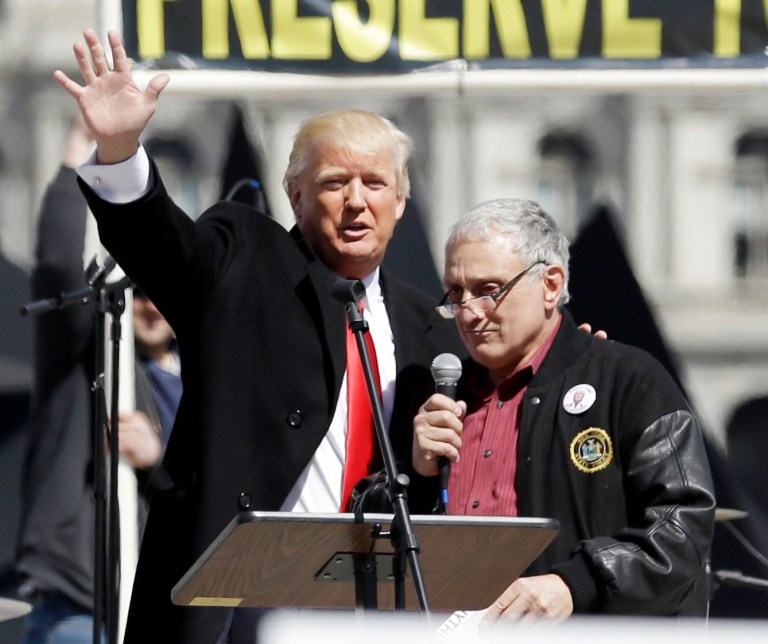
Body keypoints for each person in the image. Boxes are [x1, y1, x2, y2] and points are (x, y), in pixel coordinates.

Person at [53, 29, 466, 644]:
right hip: (239, 600)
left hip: (372, 605)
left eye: (375, 184)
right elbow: (164, 248)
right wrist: (119, 147)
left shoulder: (429, 328)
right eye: (334, 183)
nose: (356, 202)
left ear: (401, 201)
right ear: (295, 195)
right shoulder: (245, 261)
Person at [358, 197, 717, 619]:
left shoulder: (626, 379)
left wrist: (575, 584)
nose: (469, 313)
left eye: (489, 291)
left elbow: (683, 528)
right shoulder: (437, 396)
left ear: (550, 284)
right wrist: (414, 475)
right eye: (456, 293)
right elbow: (358, 533)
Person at [15, 115, 181, 644]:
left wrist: (160, 457)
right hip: (81, 610)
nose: (150, 302)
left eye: (163, 288)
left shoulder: (200, 376)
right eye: (138, 289)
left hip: (163, 611)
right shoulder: (89, 353)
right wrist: (78, 151)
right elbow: (60, 266)